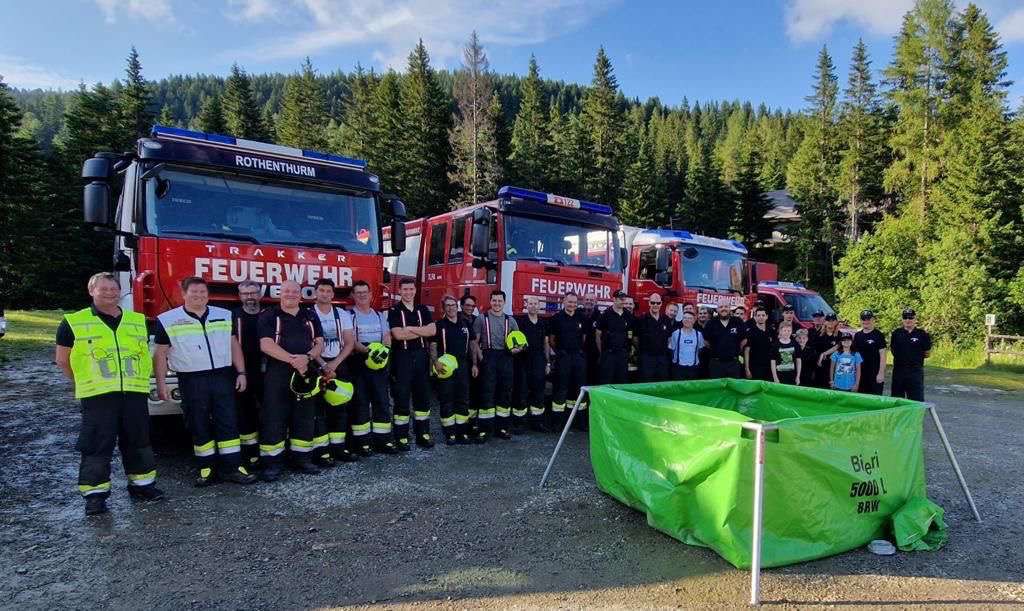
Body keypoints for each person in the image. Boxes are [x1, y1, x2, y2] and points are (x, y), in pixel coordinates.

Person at [56, 273, 165, 516]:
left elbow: (149, 354)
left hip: (134, 393)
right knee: (97, 445)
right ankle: (95, 496)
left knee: (139, 441)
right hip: (98, 396)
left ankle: (143, 486)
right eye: (103, 289)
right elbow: (63, 360)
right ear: (91, 291)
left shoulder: (137, 320)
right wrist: (82, 382)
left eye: (114, 289)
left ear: (120, 292)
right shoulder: (74, 322)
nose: (109, 293)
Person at [155, 277, 256, 486]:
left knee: (228, 421)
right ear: (183, 294)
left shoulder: (224, 315)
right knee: (198, 422)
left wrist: (242, 372)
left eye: (203, 292)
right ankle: (206, 467)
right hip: (191, 379)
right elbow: (160, 353)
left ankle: (233, 467)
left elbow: (234, 345)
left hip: (222, 376)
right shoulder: (167, 319)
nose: (199, 296)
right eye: (194, 293)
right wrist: (161, 383)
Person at [257, 280, 324, 481]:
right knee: (274, 417)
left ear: (301, 295)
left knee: (304, 416)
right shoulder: (269, 316)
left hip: (306, 372)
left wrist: (308, 358)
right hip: (278, 373)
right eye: (286, 291)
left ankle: (302, 459)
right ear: (280, 294)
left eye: (295, 291)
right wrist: (294, 360)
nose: (291, 295)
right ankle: (272, 464)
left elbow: (319, 342)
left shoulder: (310, 315)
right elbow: (266, 345)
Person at [310, 278, 356, 465]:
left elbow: (349, 342)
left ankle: (339, 447)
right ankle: (321, 451)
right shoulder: (308, 314)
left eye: (329, 291)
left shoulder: (342, 315)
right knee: (317, 408)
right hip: (316, 364)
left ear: (333, 294)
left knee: (340, 406)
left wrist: (335, 363)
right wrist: (322, 365)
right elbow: (307, 342)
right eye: (321, 290)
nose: (325, 294)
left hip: (338, 363)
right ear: (315, 292)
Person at [388, 278, 437, 450]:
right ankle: (401, 436)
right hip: (402, 357)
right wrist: (419, 331)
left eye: (411, 289)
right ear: (400, 291)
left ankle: (423, 433)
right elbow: (398, 335)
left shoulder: (422, 309)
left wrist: (409, 329)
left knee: (422, 396)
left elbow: (432, 330)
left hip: (421, 357)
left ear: (415, 290)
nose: (408, 292)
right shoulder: (394, 310)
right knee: (401, 396)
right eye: (405, 289)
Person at [349, 280, 396, 455]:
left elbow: (386, 336)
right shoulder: (349, 315)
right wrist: (370, 351)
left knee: (382, 401)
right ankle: (363, 443)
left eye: (365, 292)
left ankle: (383, 441)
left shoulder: (379, 316)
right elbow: (351, 341)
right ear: (353, 296)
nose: (362, 295)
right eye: (358, 292)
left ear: (370, 294)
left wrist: (383, 351)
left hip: (379, 362)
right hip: (360, 362)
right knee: (361, 403)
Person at [472, 290, 523, 441]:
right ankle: (484, 430)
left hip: (506, 358)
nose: (497, 303)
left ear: (504, 302)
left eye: (499, 301)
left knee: (504, 393)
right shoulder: (481, 319)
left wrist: (517, 350)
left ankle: (502, 428)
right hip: (488, 357)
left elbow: (520, 342)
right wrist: (479, 360)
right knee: (487, 393)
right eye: (494, 300)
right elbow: (475, 343)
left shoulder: (511, 320)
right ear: (490, 301)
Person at [431, 296, 476, 445]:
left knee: (462, 399)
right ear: (444, 308)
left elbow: (472, 345)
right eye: (447, 306)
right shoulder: (439, 325)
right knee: (446, 400)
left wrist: (474, 364)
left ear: (457, 307)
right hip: (445, 368)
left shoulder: (466, 324)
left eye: (452, 305)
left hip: (463, 366)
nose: (450, 308)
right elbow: (432, 346)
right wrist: (435, 361)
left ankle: (462, 432)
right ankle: (449, 433)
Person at [233, 280, 264, 469]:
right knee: (245, 412)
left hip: (266, 371)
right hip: (242, 372)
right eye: (245, 294)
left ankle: (269, 450)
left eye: (253, 293)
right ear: (240, 296)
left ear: (260, 295)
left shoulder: (269, 315)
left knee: (269, 411)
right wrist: (239, 371)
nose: (250, 297)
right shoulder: (233, 316)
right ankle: (250, 453)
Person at [548, 292, 588, 429]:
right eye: (569, 302)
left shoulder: (581, 318)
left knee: (578, 389)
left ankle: (579, 422)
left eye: (574, 302)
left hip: (577, 357)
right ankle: (557, 423)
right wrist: (560, 353)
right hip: (563, 358)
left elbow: (584, 338)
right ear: (563, 302)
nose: (572, 305)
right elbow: (552, 340)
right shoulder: (557, 318)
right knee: (561, 389)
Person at [514, 296, 550, 431]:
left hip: (539, 361)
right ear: (526, 305)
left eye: (535, 303)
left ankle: (537, 423)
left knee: (539, 392)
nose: (533, 306)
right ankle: (519, 423)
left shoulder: (543, 322)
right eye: (530, 303)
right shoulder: (520, 321)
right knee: (521, 391)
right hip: (523, 361)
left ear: (539, 306)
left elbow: (546, 343)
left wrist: (547, 363)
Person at [890, 308, 932, 401]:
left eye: (910, 317)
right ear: (902, 319)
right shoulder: (896, 333)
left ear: (915, 319)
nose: (908, 320)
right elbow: (893, 350)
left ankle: (916, 416)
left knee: (916, 400)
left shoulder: (922, 334)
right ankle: (899, 416)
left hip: (915, 372)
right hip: (899, 371)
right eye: (905, 318)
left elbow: (927, 353)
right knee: (897, 400)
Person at [596, 291, 634, 384]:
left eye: (624, 299)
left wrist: (629, 349)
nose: (623, 301)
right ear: (614, 299)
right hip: (609, 354)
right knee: (606, 381)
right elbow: (598, 335)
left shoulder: (628, 315)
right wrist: (603, 352)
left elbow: (630, 333)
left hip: (622, 354)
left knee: (622, 381)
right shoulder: (605, 315)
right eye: (621, 299)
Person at [635, 294, 673, 382]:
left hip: (662, 358)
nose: (655, 305)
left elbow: (669, 338)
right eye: (653, 302)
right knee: (646, 382)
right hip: (647, 358)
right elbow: (635, 339)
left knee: (662, 383)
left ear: (661, 304)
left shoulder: (666, 319)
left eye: (658, 303)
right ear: (649, 303)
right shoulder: (642, 319)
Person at [702, 302, 746, 378]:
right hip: (716, 363)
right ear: (717, 309)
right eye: (721, 307)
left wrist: (736, 350)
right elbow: (706, 342)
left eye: (726, 306)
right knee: (717, 388)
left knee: (733, 388)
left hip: (733, 363)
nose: (724, 309)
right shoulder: (710, 323)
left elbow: (744, 340)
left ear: (730, 309)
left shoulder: (738, 321)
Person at [853, 310, 887, 395]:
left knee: (876, 399)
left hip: (875, 373)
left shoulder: (879, 335)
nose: (866, 321)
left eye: (868, 319)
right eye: (863, 319)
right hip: (861, 373)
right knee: (861, 399)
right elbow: (854, 355)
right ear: (860, 321)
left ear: (873, 320)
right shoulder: (857, 336)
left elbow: (883, 355)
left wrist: (881, 373)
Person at [668, 311, 704, 380]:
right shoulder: (675, 334)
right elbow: (671, 349)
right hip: (678, 369)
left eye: (690, 318)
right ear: (682, 320)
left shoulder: (698, 335)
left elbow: (700, 349)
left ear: (694, 320)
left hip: (693, 369)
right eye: (685, 318)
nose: (687, 320)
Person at [744, 306, 775, 382]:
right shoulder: (750, 332)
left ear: (767, 317)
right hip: (755, 367)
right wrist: (747, 368)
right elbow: (746, 351)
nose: (761, 317)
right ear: (755, 317)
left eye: (763, 315)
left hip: (769, 367)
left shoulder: (771, 331)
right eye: (758, 315)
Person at [813, 314, 842, 388]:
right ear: (825, 322)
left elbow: (838, 347)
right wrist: (820, 356)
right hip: (820, 366)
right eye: (828, 320)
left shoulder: (840, 335)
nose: (830, 322)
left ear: (836, 322)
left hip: (834, 367)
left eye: (833, 320)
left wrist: (824, 353)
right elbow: (815, 349)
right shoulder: (819, 334)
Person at [582, 292, 601, 386]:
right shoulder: (577, 313)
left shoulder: (601, 317)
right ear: (583, 301)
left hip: (594, 354)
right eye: (587, 300)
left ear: (596, 302)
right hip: (580, 354)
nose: (589, 302)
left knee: (594, 379)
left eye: (592, 300)